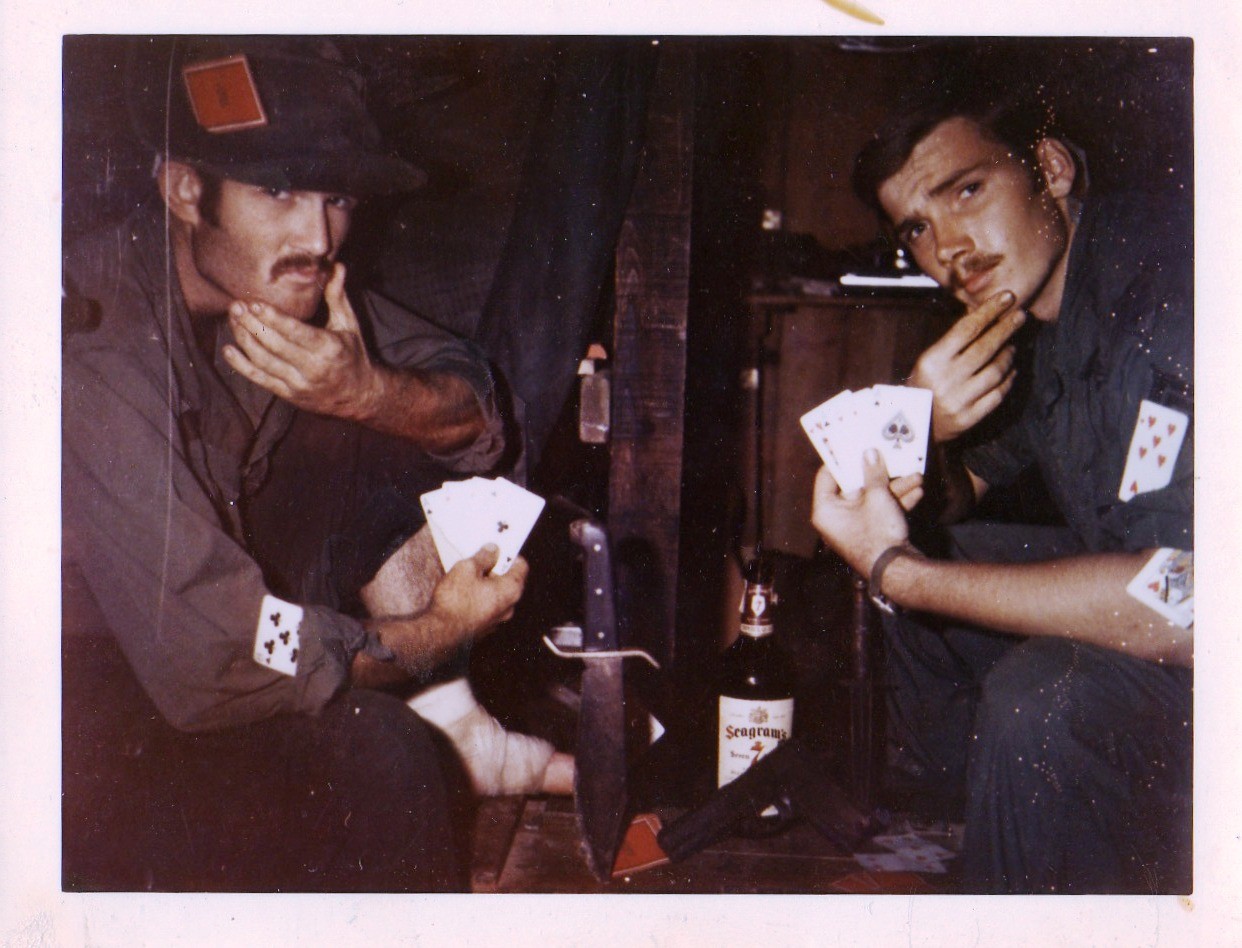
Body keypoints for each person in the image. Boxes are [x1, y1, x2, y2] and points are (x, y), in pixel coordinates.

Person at [62, 37, 568, 892]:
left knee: (371, 403)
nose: (318, 234)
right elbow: (217, 662)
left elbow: (477, 406)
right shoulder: (93, 337)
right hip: (78, 713)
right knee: (378, 758)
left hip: (223, 646)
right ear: (186, 190)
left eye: (335, 196)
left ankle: (455, 720)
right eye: (278, 189)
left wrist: (371, 393)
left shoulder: (278, 285)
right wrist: (439, 630)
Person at [810, 84, 1193, 892]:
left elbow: (1189, 600)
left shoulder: (1172, 285)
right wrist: (921, 428)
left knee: (1040, 698)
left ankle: (1025, 891)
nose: (948, 245)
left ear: (1049, 169)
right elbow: (956, 496)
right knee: (941, 582)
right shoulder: (1043, 316)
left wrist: (897, 571)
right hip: (1165, 606)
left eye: (967, 191)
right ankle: (986, 839)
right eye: (917, 226)